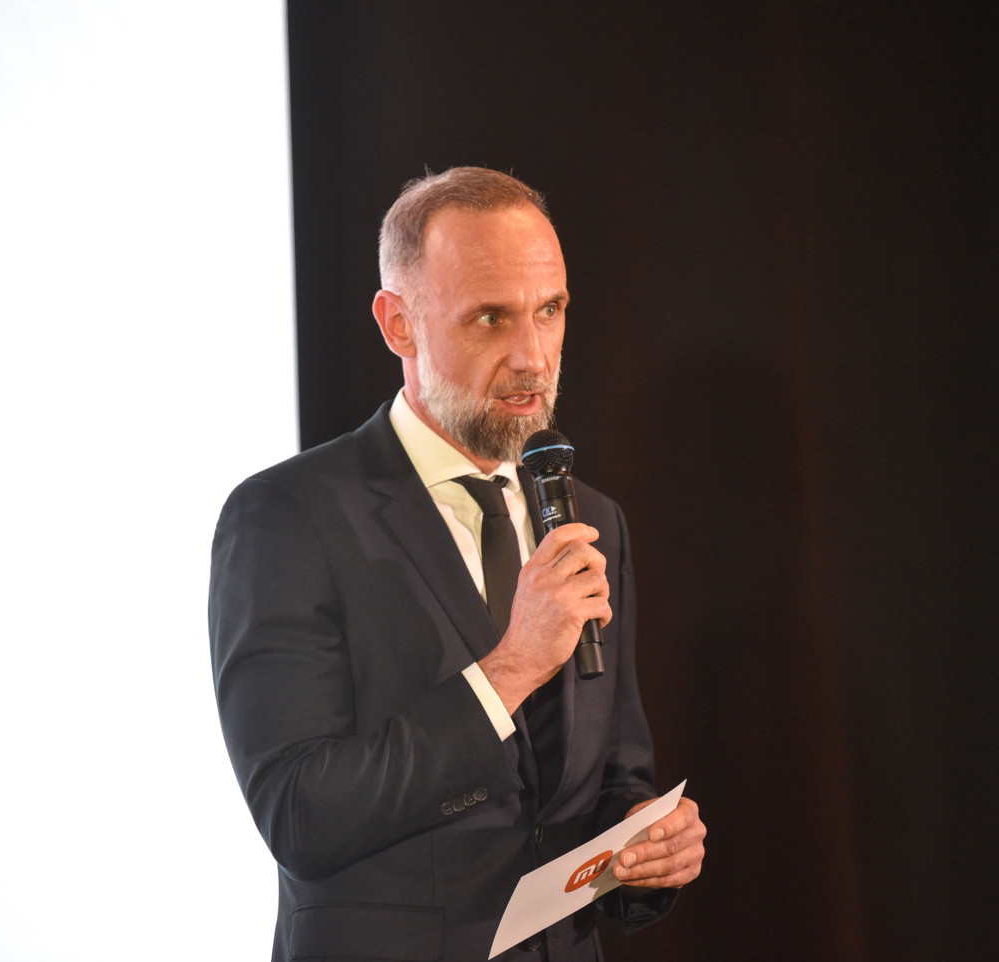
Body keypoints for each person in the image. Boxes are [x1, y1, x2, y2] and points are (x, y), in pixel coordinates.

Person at [209, 167, 705, 962]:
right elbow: (300, 815)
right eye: (491, 318)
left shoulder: (593, 517)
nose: (532, 357)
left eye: (550, 311)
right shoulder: (288, 518)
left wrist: (646, 846)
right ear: (398, 325)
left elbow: (613, 774)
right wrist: (510, 669)